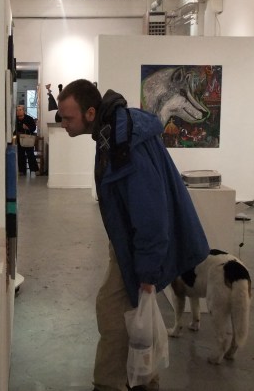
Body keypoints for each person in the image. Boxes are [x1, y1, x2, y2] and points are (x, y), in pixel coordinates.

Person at [57, 79, 210, 391]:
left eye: (68, 117)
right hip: (128, 243)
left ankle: (110, 384)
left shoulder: (123, 141)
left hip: (138, 246)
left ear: (90, 113)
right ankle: (144, 379)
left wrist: (148, 271)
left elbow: (150, 213)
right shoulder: (114, 131)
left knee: (112, 314)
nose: (63, 123)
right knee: (128, 312)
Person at [15, 105, 40, 175]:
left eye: (20, 110)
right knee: (20, 155)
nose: (18, 111)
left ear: (24, 111)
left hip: (28, 139)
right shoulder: (15, 119)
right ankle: (22, 171)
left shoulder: (29, 118)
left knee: (30, 155)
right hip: (19, 139)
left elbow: (33, 128)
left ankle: (34, 170)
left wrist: (27, 128)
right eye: (17, 110)